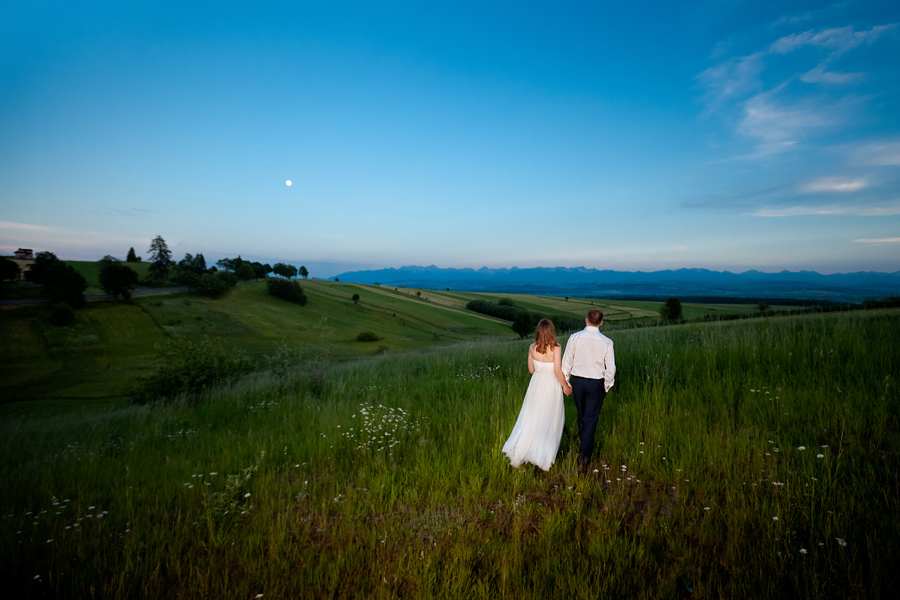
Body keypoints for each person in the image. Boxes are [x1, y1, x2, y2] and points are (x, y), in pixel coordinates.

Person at [502, 319, 573, 471]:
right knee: (549, 417)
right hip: (551, 385)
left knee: (533, 416)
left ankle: (527, 448)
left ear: (538, 332)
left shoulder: (531, 348)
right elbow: (557, 371)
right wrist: (565, 387)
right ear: (551, 332)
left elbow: (531, 370)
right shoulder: (556, 348)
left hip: (536, 384)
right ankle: (543, 453)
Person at [562, 308, 616, 468]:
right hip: (596, 383)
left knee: (582, 416)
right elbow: (611, 368)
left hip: (578, 382)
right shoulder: (607, 342)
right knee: (590, 419)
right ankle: (583, 459)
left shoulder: (574, 337)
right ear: (601, 323)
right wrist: (607, 385)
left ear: (586, 320)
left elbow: (567, 361)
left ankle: (583, 445)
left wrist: (566, 382)